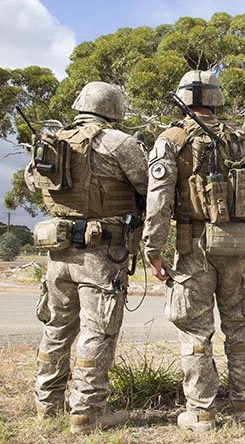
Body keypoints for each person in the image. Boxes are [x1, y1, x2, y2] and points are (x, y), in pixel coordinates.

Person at [143, 70, 245, 431]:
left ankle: (201, 412)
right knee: (240, 327)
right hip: (239, 245)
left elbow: (158, 200)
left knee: (195, 331)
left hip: (193, 246)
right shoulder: (239, 139)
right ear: (216, 98)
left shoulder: (171, 140)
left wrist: (152, 249)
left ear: (184, 98)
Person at [29, 81, 148, 434]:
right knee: (98, 331)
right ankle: (86, 411)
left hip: (58, 250)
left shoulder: (51, 143)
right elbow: (149, 185)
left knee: (57, 327)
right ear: (114, 109)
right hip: (101, 252)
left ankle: (45, 404)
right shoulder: (119, 143)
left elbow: (32, 183)